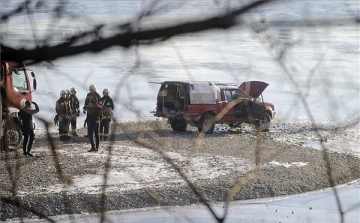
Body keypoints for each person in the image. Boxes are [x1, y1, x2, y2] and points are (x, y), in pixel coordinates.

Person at [83, 84, 101, 152]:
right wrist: (84, 108)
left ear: (95, 89)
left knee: (96, 133)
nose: (91, 91)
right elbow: (86, 103)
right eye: (90, 90)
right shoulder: (88, 95)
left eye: (92, 90)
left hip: (96, 116)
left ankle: (97, 147)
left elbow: (101, 106)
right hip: (89, 116)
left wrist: (94, 105)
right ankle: (92, 147)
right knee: (90, 133)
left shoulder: (98, 96)